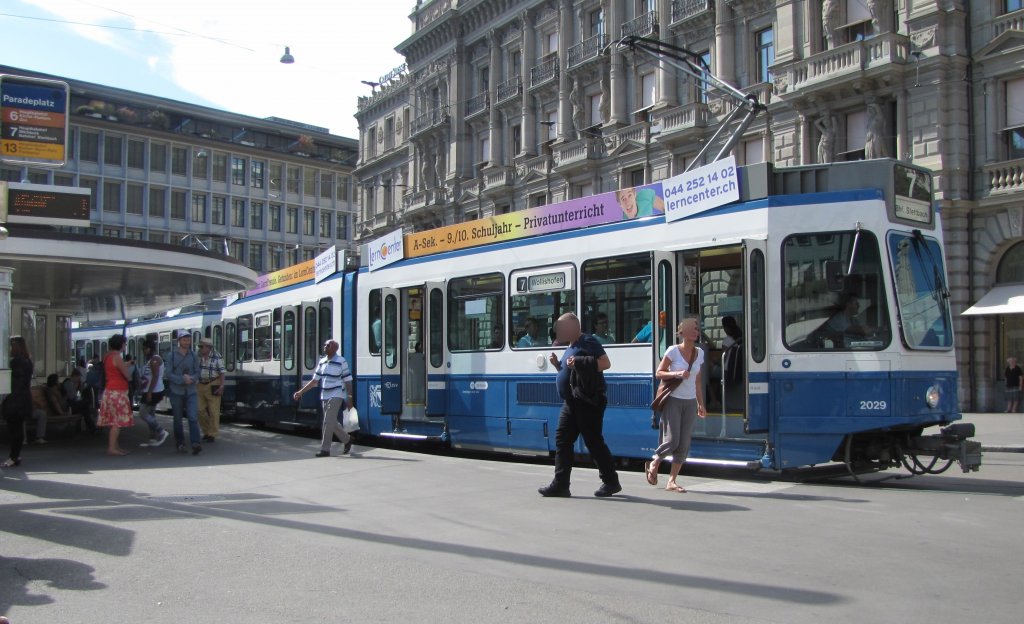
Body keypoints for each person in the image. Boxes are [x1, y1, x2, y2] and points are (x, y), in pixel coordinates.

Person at [538, 313, 621, 498]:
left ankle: (611, 481)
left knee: (593, 441)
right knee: (562, 439)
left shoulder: (588, 341)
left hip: (587, 401)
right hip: (571, 402)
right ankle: (560, 484)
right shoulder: (571, 346)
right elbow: (571, 373)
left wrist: (579, 361)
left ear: (574, 327)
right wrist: (557, 366)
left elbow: (605, 363)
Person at [644, 319, 707, 493]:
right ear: (682, 333)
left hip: (690, 401)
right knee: (672, 440)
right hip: (673, 399)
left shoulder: (699, 353)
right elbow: (659, 373)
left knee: (684, 443)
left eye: (697, 329)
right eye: (692, 329)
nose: (696, 332)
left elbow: (698, 380)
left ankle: (672, 481)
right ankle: (655, 461)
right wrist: (677, 373)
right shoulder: (673, 351)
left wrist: (701, 403)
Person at [293, 339, 354, 457]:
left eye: (328, 345)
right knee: (332, 422)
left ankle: (325, 449)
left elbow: (348, 381)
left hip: (337, 394)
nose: (325, 346)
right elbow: (315, 381)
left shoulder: (341, 361)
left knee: (327, 421)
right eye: (325, 345)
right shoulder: (322, 362)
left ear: (335, 348)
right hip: (324, 395)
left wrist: (349, 398)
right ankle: (347, 439)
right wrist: (300, 392)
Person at [166, 330, 203, 455]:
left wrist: (192, 378)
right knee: (177, 419)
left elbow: (198, 372)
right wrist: (182, 379)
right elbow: (168, 373)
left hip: (191, 390)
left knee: (193, 417)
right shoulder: (171, 356)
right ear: (179, 341)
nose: (187, 342)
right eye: (184, 340)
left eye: (188, 340)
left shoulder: (194, 356)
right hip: (176, 391)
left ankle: (195, 443)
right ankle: (180, 443)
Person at [98, 334, 134, 456]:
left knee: (114, 421)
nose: (125, 346)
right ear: (120, 344)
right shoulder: (117, 357)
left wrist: (125, 364)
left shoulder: (107, 356)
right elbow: (126, 375)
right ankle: (112, 448)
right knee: (117, 421)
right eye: (124, 343)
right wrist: (128, 371)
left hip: (109, 390)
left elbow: (114, 368)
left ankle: (115, 446)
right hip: (118, 391)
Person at [2, 336, 33, 468]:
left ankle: (13, 456)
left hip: (14, 399)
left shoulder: (15, 362)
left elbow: (12, 382)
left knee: (13, 429)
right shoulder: (28, 360)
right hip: (24, 398)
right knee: (18, 428)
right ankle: (15, 455)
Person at [137, 339, 169, 447]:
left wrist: (150, 392)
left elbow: (155, 376)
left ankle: (161, 431)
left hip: (154, 391)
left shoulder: (155, 359)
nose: (143, 351)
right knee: (150, 413)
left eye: (145, 349)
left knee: (143, 413)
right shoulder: (150, 360)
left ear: (149, 348)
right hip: (149, 390)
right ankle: (153, 436)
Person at [196, 337, 227, 443]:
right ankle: (206, 430)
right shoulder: (198, 356)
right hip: (200, 384)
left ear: (208, 347)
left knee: (214, 411)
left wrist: (221, 386)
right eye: (199, 346)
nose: (200, 348)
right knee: (199, 410)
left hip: (213, 383)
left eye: (201, 346)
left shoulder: (217, 356)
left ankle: (212, 434)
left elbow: (222, 372)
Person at [30, 374, 67, 444]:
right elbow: (56, 402)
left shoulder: (50, 390)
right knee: (42, 414)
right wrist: (62, 413)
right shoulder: (52, 392)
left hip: (53, 409)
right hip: (53, 410)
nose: (59, 382)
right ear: (55, 382)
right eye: (57, 381)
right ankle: (40, 437)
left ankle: (39, 437)